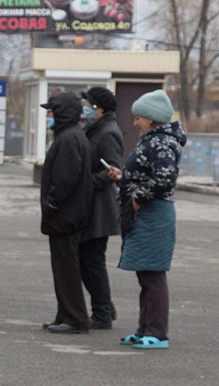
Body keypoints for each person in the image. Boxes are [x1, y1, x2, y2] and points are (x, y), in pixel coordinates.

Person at [106, 89, 186, 350]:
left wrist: (137, 197)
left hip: (153, 213)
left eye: (138, 117)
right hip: (147, 212)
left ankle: (157, 333)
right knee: (145, 273)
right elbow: (150, 173)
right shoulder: (152, 140)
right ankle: (145, 329)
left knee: (153, 273)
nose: (134, 122)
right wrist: (124, 178)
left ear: (152, 119)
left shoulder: (162, 142)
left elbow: (164, 180)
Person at [39, 91, 93, 334]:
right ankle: (65, 314)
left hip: (64, 216)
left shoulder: (69, 138)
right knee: (62, 269)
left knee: (67, 269)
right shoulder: (70, 136)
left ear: (62, 113)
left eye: (51, 111)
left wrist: (51, 204)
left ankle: (74, 318)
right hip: (66, 216)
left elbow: (65, 180)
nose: (49, 116)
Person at [79, 86, 123, 330]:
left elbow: (112, 170)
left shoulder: (108, 132)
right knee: (86, 262)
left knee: (93, 262)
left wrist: (84, 185)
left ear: (99, 107)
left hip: (100, 209)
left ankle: (102, 313)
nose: (85, 105)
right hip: (91, 207)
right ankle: (104, 306)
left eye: (88, 102)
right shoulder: (94, 128)